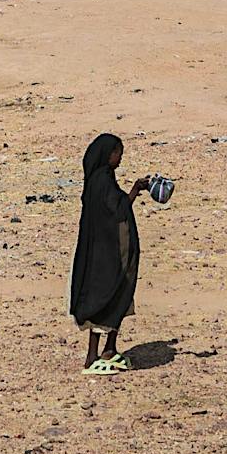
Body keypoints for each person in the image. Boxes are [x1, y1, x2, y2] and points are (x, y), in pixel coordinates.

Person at [67, 134, 147, 373]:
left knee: (120, 295)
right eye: (118, 154)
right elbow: (117, 210)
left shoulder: (102, 179)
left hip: (108, 250)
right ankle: (92, 356)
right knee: (104, 296)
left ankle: (110, 349)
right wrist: (134, 190)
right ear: (107, 154)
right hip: (105, 254)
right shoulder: (101, 182)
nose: (120, 158)